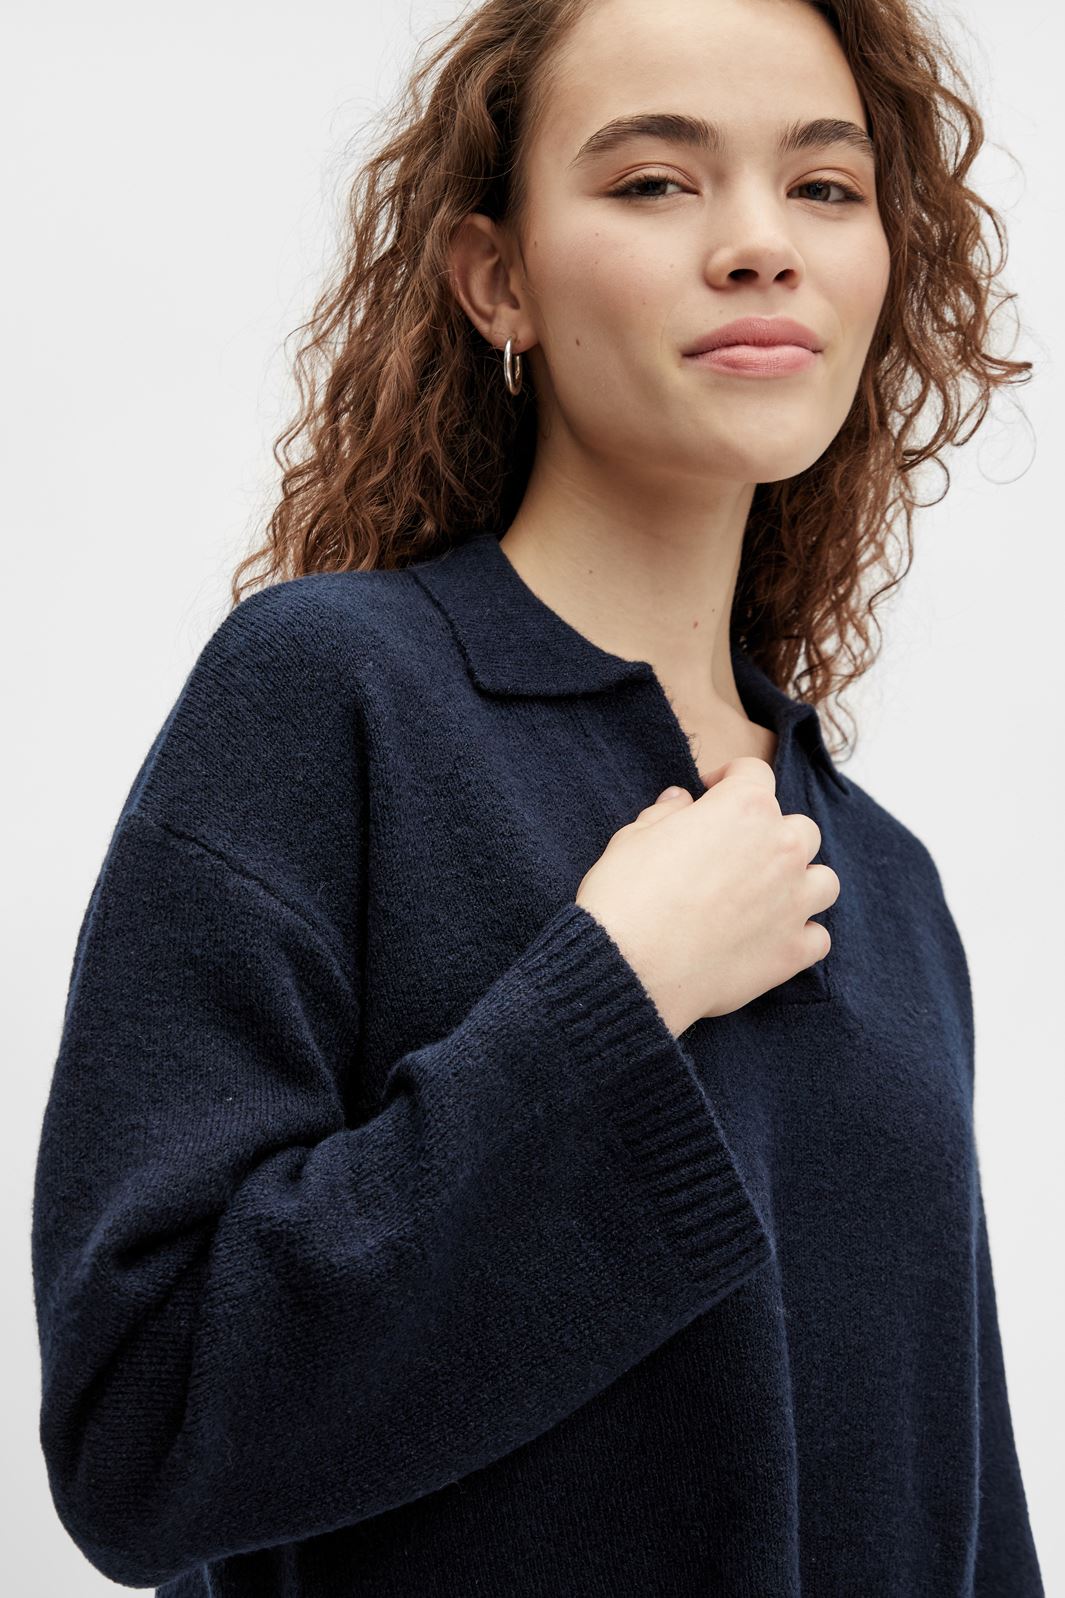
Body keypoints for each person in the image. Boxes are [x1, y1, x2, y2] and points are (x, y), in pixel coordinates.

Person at [32, 0, 1044, 1594]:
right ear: (495, 276)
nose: (759, 243)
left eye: (824, 187)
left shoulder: (885, 877)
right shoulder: (331, 697)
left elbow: (966, 1519)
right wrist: (611, 998)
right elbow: (140, 1431)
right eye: (653, 182)